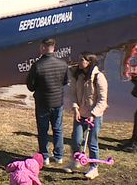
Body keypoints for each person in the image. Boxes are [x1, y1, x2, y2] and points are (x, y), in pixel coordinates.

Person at [26, 37, 69, 165]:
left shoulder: (37, 65)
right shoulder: (63, 64)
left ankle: (44, 156)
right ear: (54, 48)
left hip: (43, 102)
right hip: (57, 102)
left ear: (44, 48)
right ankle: (59, 156)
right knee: (58, 129)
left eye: (40, 47)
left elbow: (30, 86)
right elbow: (65, 82)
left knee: (43, 130)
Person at [65, 52, 108, 180]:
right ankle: (75, 161)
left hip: (94, 116)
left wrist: (93, 114)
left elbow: (102, 100)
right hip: (80, 114)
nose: (79, 62)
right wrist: (75, 109)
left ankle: (94, 167)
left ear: (89, 62)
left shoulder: (99, 77)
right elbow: (72, 93)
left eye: (81, 60)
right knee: (76, 140)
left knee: (92, 142)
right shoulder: (78, 75)